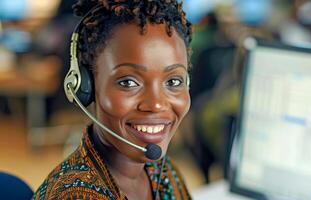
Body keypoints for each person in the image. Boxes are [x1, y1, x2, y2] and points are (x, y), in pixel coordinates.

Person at [33, 0, 193, 199]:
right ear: (85, 87)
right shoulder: (74, 195)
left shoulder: (162, 170)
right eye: (128, 82)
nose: (156, 104)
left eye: (174, 81)